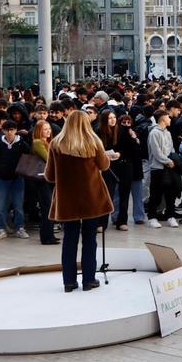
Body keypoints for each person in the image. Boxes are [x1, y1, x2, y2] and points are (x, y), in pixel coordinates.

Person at [44, 110, 114, 293]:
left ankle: (69, 281)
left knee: (69, 239)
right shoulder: (93, 142)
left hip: (67, 200)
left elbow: (50, 176)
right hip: (91, 198)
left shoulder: (56, 144)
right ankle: (89, 280)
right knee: (90, 238)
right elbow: (104, 166)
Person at [0, 120, 30, 239]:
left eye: (12, 130)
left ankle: (20, 227)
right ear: (3, 130)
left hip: (17, 178)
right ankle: (1, 228)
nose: (9, 132)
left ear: (16, 130)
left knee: (18, 204)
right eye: (7, 130)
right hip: (2, 179)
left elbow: (28, 158)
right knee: (1, 204)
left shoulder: (22, 144)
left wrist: (22, 172)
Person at [144, 109, 177, 228]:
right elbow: (156, 152)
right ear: (162, 118)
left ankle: (171, 216)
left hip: (169, 167)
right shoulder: (154, 133)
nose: (170, 119)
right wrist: (168, 161)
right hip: (157, 168)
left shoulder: (167, 132)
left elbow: (171, 148)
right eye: (168, 117)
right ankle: (152, 217)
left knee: (170, 194)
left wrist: (172, 159)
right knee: (156, 194)